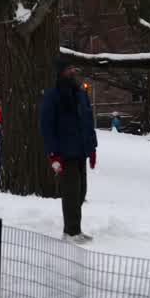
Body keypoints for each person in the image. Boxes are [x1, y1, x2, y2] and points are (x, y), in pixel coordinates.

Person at [40, 60, 98, 243]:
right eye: (68, 69)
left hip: (80, 150)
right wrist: (53, 154)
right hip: (64, 153)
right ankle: (71, 233)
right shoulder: (52, 96)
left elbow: (88, 122)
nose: (72, 72)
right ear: (60, 73)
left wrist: (92, 148)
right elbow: (46, 127)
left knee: (81, 192)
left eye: (73, 68)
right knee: (71, 192)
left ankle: (74, 229)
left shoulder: (81, 94)